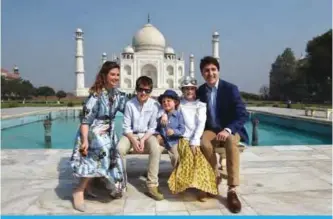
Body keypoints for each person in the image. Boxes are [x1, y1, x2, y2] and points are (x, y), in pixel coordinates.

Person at [70, 61, 128, 212]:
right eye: (112, 74)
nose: (116, 77)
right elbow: (85, 121)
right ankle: (79, 190)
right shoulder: (96, 95)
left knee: (118, 188)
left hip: (108, 131)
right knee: (100, 151)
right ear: (104, 75)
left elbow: (130, 109)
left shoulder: (118, 95)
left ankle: (89, 186)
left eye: (117, 75)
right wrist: (85, 140)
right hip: (93, 132)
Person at [196, 56, 249, 213]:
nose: (210, 73)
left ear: (218, 71)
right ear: (202, 73)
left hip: (229, 128)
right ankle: (214, 176)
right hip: (211, 129)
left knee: (231, 141)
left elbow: (242, 114)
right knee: (203, 142)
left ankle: (232, 189)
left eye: (213, 69)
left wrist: (228, 130)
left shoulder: (230, 89)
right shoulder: (200, 91)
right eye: (206, 70)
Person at [161, 77, 219, 201]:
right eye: (187, 89)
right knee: (190, 156)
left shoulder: (200, 105)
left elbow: (201, 123)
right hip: (182, 137)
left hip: (196, 138)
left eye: (192, 89)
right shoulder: (179, 104)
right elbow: (166, 106)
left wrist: (195, 140)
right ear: (183, 90)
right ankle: (199, 186)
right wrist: (164, 114)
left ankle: (204, 187)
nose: (189, 91)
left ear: (195, 90)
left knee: (198, 157)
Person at [117, 76, 165, 201]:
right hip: (130, 135)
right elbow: (126, 127)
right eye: (140, 89)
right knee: (119, 149)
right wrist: (134, 140)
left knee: (155, 148)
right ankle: (120, 183)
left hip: (147, 135)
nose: (143, 93)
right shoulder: (129, 104)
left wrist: (143, 140)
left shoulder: (154, 104)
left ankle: (152, 185)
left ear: (150, 91)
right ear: (136, 89)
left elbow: (152, 127)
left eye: (147, 90)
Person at [155, 89, 185, 168]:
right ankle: (152, 173)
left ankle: (176, 173)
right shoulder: (160, 115)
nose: (166, 103)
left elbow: (182, 130)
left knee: (176, 156)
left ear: (175, 102)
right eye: (164, 101)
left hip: (174, 141)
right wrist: (158, 134)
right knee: (155, 152)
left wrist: (174, 132)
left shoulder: (179, 115)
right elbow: (156, 128)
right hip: (162, 141)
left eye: (168, 101)